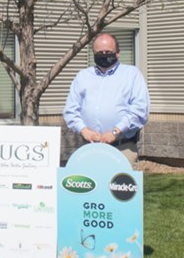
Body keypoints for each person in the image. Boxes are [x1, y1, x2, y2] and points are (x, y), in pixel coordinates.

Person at [63, 33, 150, 165]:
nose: (104, 55)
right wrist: (84, 130)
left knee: (118, 185)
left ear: (118, 53)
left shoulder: (132, 75)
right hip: (88, 148)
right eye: (100, 52)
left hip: (122, 149)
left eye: (108, 52)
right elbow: (71, 111)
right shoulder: (83, 76)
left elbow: (139, 110)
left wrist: (115, 131)